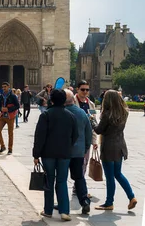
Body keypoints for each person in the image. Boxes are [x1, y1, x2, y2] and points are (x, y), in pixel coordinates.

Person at [32, 88, 78, 221]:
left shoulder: (46, 115)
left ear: (51, 100)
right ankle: (64, 211)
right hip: (64, 153)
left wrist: (36, 155)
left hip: (48, 153)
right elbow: (75, 135)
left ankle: (48, 210)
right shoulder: (71, 116)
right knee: (62, 181)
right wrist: (68, 146)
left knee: (49, 181)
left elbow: (39, 137)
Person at [93, 90, 137, 211]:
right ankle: (131, 197)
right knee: (118, 173)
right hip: (120, 146)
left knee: (110, 176)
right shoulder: (124, 112)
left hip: (108, 147)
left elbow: (98, 130)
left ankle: (109, 202)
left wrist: (91, 119)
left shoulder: (107, 114)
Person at [64, 89, 92, 214]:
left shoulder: (61, 112)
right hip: (78, 152)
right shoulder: (81, 113)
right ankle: (84, 201)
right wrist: (85, 148)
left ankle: (62, 202)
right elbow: (88, 133)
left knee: (61, 178)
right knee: (79, 177)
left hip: (62, 152)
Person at [74, 80, 98, 184]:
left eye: (87, 90)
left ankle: (78, 186)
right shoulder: (72, 101)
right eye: (82, 89)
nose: (85, 92)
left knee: (84, 163)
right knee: (73, 163)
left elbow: (93, 122)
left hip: (86, 138)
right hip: (74, 137)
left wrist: (94, 140)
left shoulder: (91, 104)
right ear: (77, 89)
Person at [0, 82, 20, 154]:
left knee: (10, 133)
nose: (3, 88)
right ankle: (2, 146)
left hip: (10, 116)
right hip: (3, 115)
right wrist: (1, 108)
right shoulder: (1, 95)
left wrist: (9, 109)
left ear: (8, 87)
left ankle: (10, 148)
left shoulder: (13, 96)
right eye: (2, 87)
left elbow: (17, 106)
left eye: (5, 87)